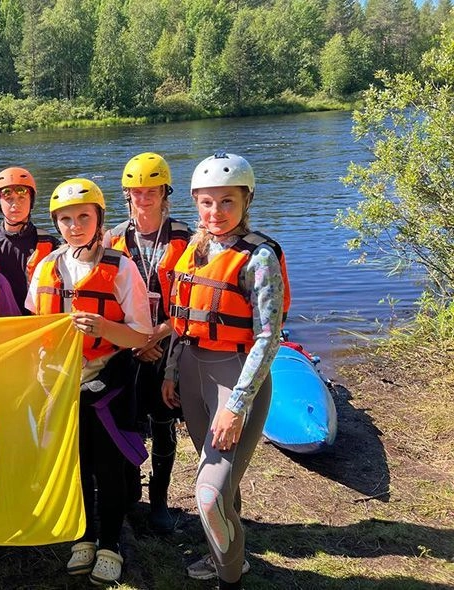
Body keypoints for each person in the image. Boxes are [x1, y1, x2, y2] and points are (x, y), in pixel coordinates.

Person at [161, 152, 290, 589]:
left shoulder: (259, 257)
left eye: (227, 202)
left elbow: (268, 338)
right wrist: (171, 372)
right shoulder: (195, 249)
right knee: (222, 484)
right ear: (196, 202)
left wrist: (236, 404)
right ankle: (228, 556)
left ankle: (230, 578)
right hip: (194, 377)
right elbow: (184, 319)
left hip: (234, 381)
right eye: (207, 202)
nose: (216, 213)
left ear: (246, 200)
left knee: (209, 493)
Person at [25, 178, 153, 586]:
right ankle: (84, 535)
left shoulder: (120, 267)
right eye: (65, 219)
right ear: (56, 224)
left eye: (83, 216)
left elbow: (141, 337)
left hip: (106, 385)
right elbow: (33, 327)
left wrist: (104, 327)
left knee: (109, 468)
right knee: (75, 466)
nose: (74, 225)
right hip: (59, 386)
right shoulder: (46, 267)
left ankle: (111, 543)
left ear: (99, 219)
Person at [105, 152, 192, 533]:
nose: (143, 199)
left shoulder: (186, 238)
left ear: (164, 192)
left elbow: (192, 301)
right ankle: (128, 494)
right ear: (127, 195)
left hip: (166, 344)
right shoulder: (112, 239)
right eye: (136, 192)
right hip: (127, 346)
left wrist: (156, 335)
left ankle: (160, 501)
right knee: (125, 420)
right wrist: (134, 341)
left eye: (151, 191)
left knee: (162, 422)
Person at [0, 167, 59, 314]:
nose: (15, 204)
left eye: (22, 197)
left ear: (31, 201)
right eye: (8, 199)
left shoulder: (51, 243)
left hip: (38, 324)